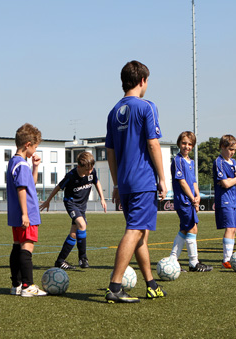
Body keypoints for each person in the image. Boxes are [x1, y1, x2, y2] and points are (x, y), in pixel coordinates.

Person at [104, 60, 167, 303]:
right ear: (142, 81)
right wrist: (162, 178)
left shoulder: (113, 111)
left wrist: (117, 184)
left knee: (139, 233)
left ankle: (150, 283)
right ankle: (115, 286)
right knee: (135, 230)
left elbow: (110, 152)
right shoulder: (147, 107)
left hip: (127, 183)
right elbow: (153, 143)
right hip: (143, 180)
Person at [40, 151, 107, 269]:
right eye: (87, 170)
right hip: (71, 203)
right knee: (82, 224)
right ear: (79, 167)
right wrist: (48, 201)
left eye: (91, 169)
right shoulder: (71, 176)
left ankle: (60, 261)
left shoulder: (91, 172)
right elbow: (58, 187)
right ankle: (83, 258)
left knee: (74, 233)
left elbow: (97, 182)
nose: (90, 172)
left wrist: (102, 198)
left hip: (82, 206)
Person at [6, 123, 47, 297]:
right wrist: (25, 213)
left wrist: (35, 167)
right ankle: (27, 285)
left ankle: (16, 284)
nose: (36, 151)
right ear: (27, 145)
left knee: (17, 247)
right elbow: (22, 189)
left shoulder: (14, 162)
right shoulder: (21, 165)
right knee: (27, 247)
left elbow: (30, 184)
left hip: (16, 214)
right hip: (26, 213)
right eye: (35, 147)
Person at [169, 131, 212, 272]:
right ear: (179, 144)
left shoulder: (191, 162)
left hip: (191, 200)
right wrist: (192, 198)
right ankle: (194, 263)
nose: (186, 146)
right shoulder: (178, 160)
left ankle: (172, 260)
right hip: (183, 200)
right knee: (192, 228)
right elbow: (182, 182)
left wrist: (198, 196)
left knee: (184, 229)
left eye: (189, 144)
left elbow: (193, 181)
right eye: (184, 143)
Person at [213, 134, 236, 269]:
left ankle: (230, 256)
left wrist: (234, 180)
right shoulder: (218, 162)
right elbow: (225, 183)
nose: (233, 152)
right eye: (231, 149)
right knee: (229, 227)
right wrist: (234, 179)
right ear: (222, 147)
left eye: (234, 150)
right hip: (224, 199)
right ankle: (227, 259)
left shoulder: (234, 162)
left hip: (233, 198)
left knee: (234, 228)